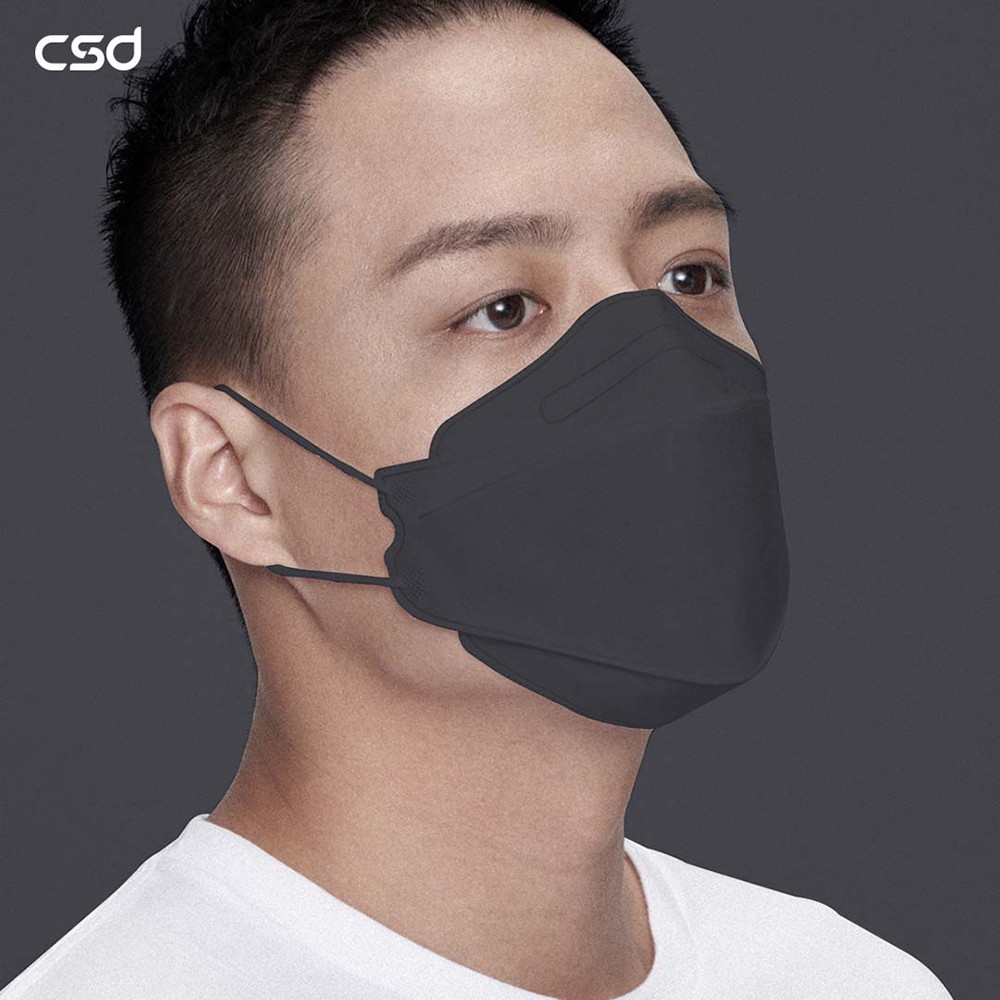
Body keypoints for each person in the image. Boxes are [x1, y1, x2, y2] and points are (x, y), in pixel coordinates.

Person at [1, 1, 953, 997]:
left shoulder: (853, 980)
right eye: (501, 307)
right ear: (233, 477)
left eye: (688, 275)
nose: (661, 371)